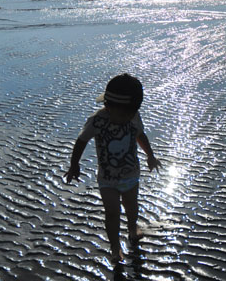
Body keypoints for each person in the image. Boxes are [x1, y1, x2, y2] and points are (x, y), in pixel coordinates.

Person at [64, 73, 162, 263]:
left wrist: (150, 156)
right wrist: (74, 164)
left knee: (132, 207)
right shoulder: (97, 120)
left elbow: (140, 135)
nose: (129, 117)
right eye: (125, 114)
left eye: (132, 113)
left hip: (131, 174)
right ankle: (115, 248)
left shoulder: (133, 116)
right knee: (112, 213)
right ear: (108, 106)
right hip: (107, 179)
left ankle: (132, 228)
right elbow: (81, 140)